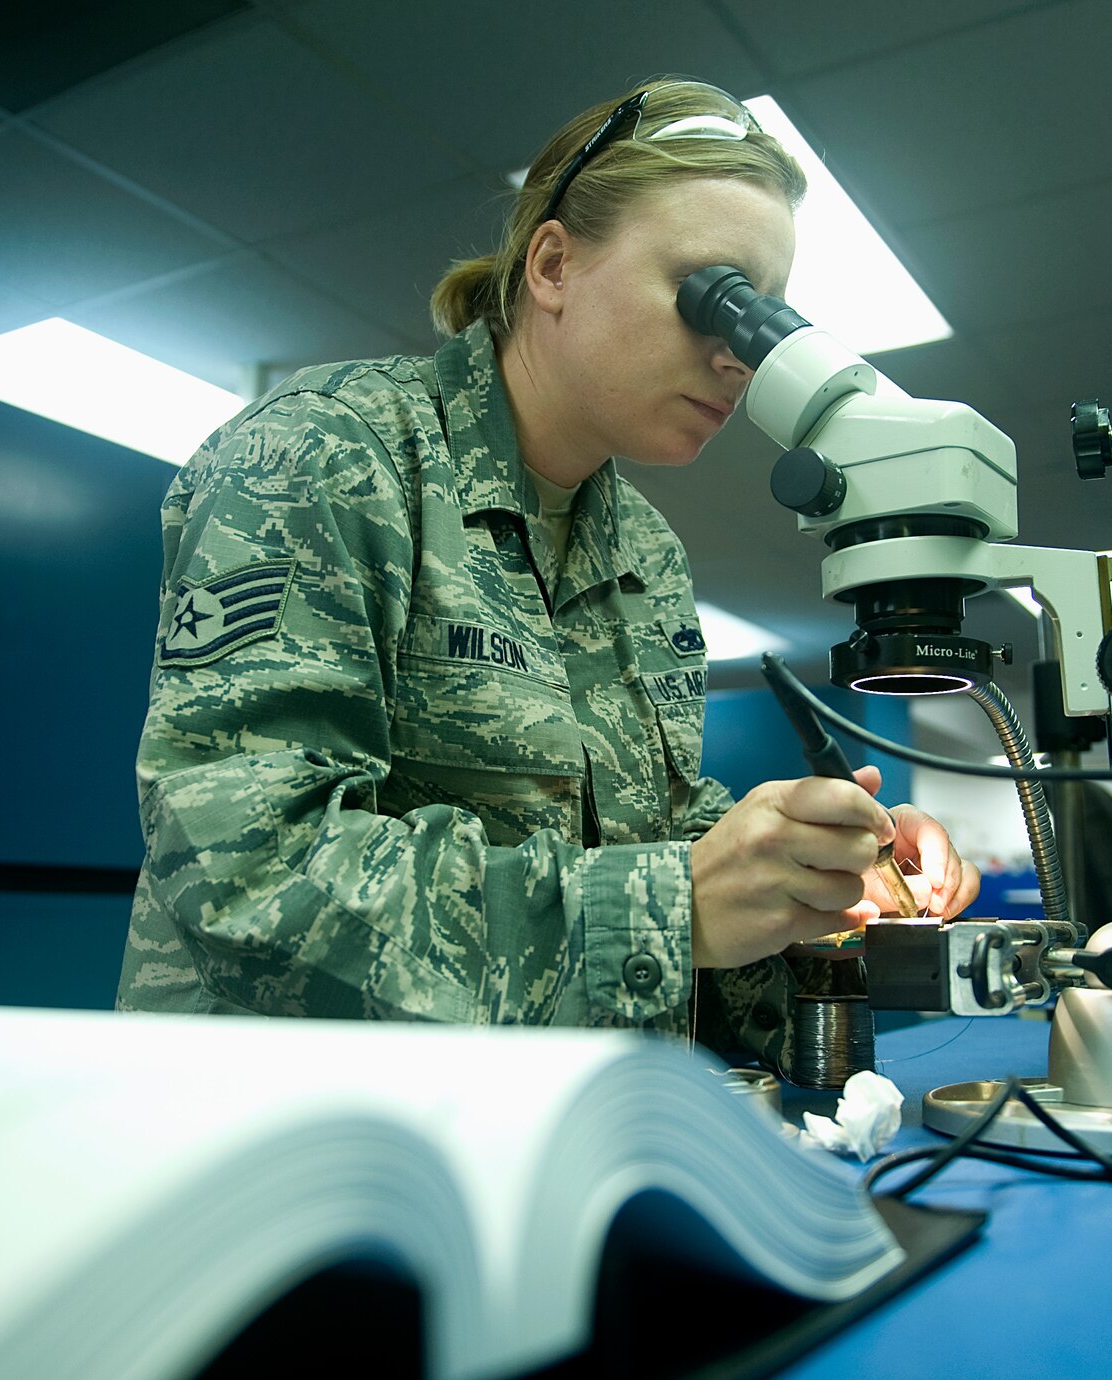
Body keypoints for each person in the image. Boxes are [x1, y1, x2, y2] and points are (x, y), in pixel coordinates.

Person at [118, 78, 980, 1070]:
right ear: (554, 264)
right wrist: (675, 909)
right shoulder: (320, 456)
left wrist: (808, 879)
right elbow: (245, 875)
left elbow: (644, 844)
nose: (740, 355)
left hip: (550, 1127)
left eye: (764, 318)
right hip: (289, 1141)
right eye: (711, 296)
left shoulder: (644, 551)